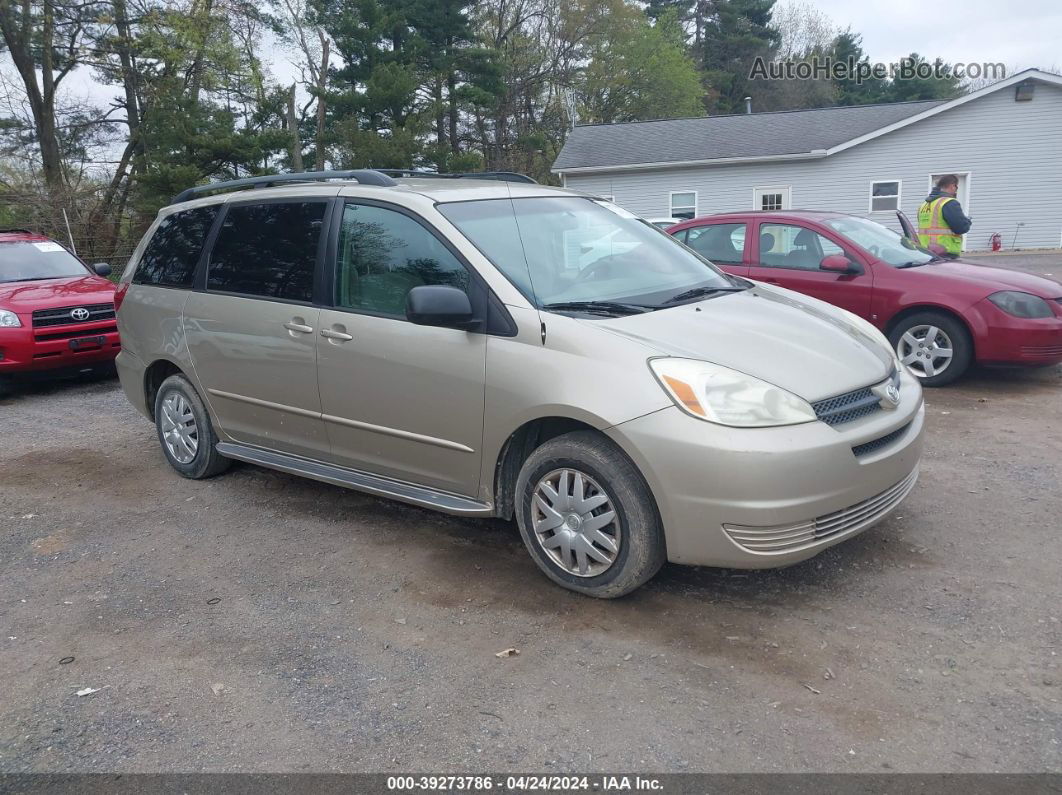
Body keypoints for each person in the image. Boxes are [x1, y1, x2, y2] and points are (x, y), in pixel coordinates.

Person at [917, 174, 971, 258]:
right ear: (952, 185)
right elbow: (961, 228)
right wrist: (967, 221)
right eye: (956, 187)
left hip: (925, 253)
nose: (956, 190)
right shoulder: (949, 203)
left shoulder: (923, 205)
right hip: (945, 253)